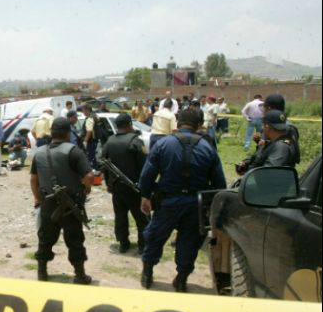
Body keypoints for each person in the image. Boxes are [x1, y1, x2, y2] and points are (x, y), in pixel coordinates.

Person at [138, 109, 226, 292]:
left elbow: (147, 175)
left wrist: (145, 196)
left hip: (167, 204)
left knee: (154, 237)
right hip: (195, 206)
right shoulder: (208, 147)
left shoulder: (163, 144)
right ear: (199, 124)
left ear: (178, 123)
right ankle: (181, 280)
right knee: (189, 242)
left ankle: (147, 274)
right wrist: (211, 208)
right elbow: (219, 184)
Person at [31, 117, 94, 284]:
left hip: (48, 202)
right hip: (70, 205)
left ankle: (42, 272)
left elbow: (33, 179)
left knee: (45, 237)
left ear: (52, 133)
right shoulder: (73, 151)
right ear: (68, 133)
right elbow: (89, 175)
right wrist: (86, 189)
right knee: (74, 239)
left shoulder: (39, 153)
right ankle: (80, 275)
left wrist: (38, 199)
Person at [100, 113, 148, 254]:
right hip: (134, 188)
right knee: (141, 218)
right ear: (129, 125)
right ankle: (143, 245)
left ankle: (123, 243)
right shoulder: (136, 141)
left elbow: (103, 165)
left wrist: (109, 184)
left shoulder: (109, 142)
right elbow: (145, 167)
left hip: (116, 187)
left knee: (120, 216)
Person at [235, 109, 299, 175]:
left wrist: (248, 174)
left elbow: (268, 174)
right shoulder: (275, 142)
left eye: (263, 125)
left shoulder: (281, 147)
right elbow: (260, 159)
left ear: (267, 126)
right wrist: (246, 164)